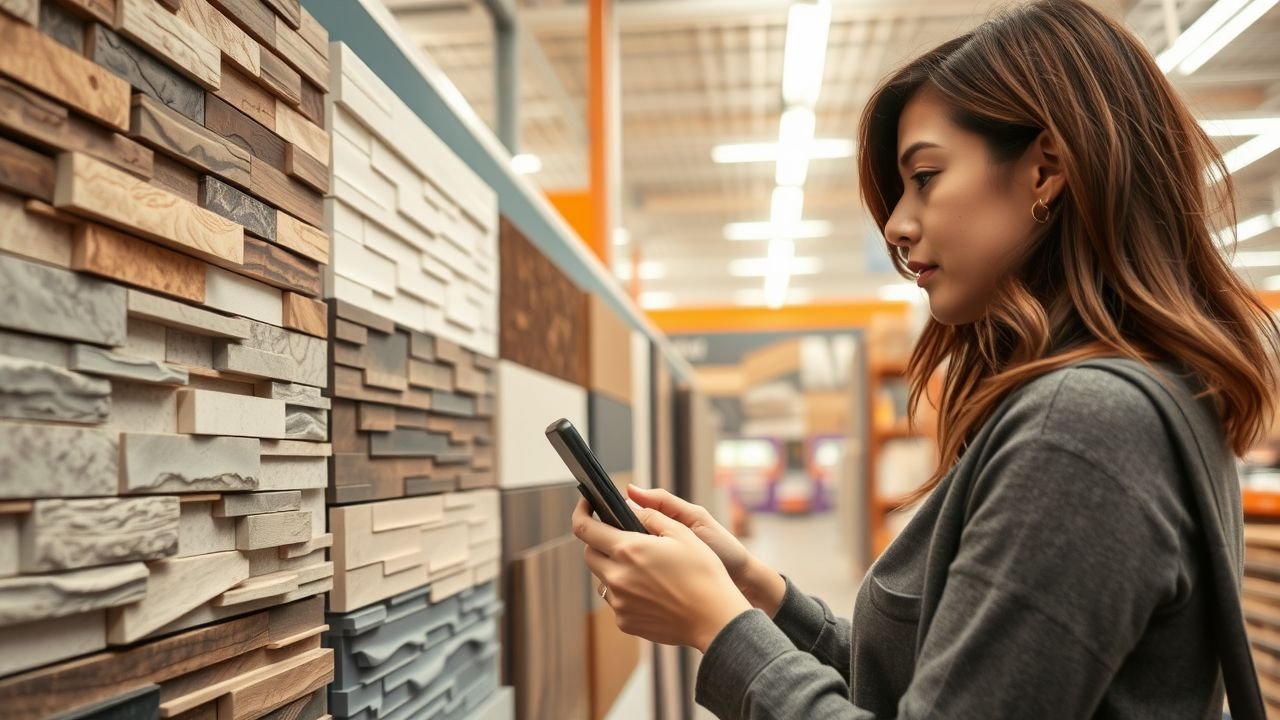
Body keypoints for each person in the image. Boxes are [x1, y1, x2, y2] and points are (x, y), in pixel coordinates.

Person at [570, 0, 1280, 717]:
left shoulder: (1082, 427)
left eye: (926, 177)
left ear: (1046, 170)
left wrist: (717, 627)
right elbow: (942, 684)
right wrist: (756, 592)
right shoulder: (1131, 402)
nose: (896, 225)